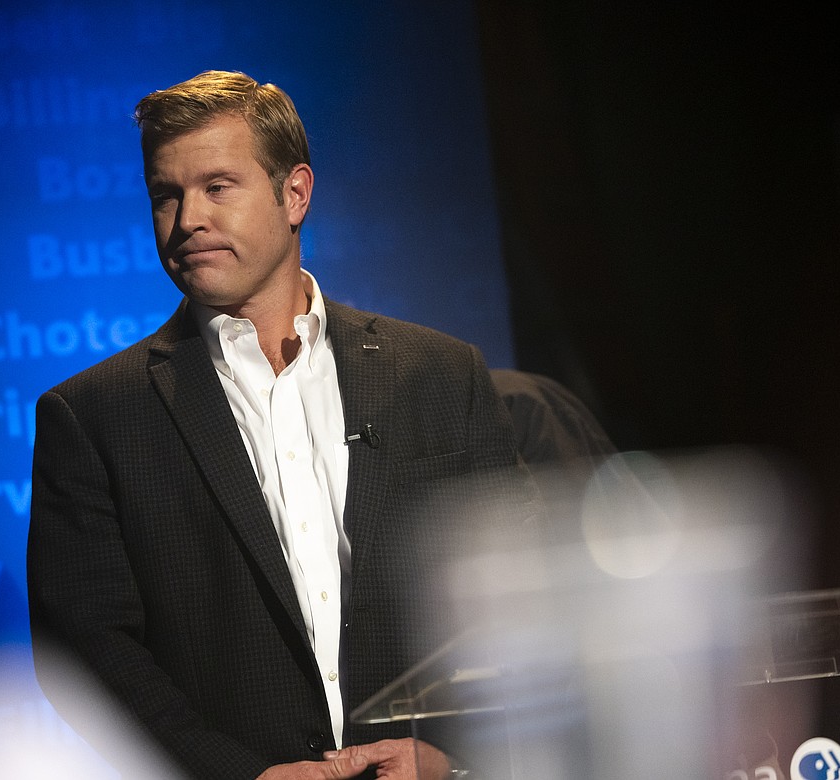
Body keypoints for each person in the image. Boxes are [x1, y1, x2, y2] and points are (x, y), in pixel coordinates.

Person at [27, 70, 534, 780]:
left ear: (294, 193)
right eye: (165, 195)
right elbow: (88, 649)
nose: (187, 219)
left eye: (217, 187)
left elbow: (520, 595)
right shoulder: (93, 415)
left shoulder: (442, 374)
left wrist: (458, 756)